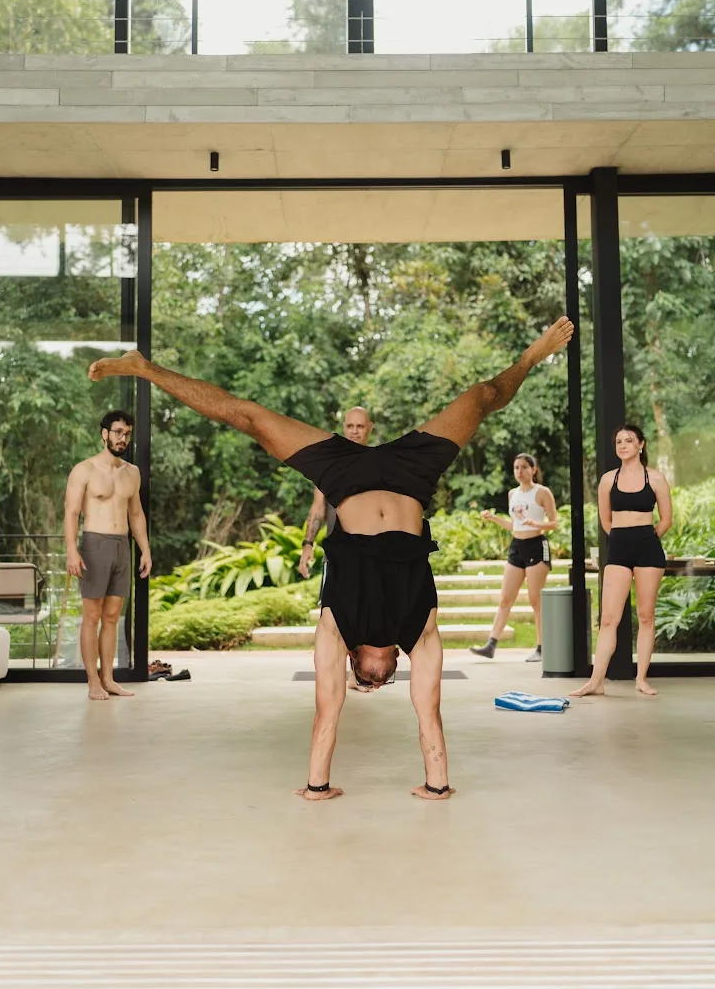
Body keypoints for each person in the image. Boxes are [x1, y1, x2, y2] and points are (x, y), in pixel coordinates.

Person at [88, 316, 574, 797]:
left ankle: (144, 367)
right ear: (357, 662)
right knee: (481, 398)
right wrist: (349, 787)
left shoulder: (368, 629)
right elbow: (378, 712)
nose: (372, 676)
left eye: (368, 679)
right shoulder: (393, 631)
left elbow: (355, 713)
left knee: (250, 417)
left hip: (353, 477)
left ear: (360, 662)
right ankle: (532, 354)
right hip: (409, 475)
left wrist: (360, 786)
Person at [571, 424, 672, 698]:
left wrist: (647, 538)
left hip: (648, 549)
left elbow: (666, 520)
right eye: (618, 442)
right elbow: (605, 520)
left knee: (646, 616)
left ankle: (641, 679)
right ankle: (596, 681)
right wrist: (621, 538)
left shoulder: (657, 478)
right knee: (608, 619)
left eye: (629, 440)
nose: (623, 445)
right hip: (618, 549)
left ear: (641, 444)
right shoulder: (607, 480)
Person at [64, 410, 152, 700]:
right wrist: (72, 551)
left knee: (113, 616)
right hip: (94, 544)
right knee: (92, 616)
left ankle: (108, 679)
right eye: (117, 432)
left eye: (126, 433)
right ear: (104, 433)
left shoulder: (132, 473)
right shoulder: (84, 470)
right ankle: (92, 683)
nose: (122, 438)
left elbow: (136, 513)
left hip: (121, 547)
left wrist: (145, 550)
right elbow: (72, 513)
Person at [298, 406, 375, 693]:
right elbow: (318, 509)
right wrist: (307, 545)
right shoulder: (329, 465)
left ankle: (358, 673)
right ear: (344, 427)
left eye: (360, 426)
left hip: (369, 554)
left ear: (370, 428)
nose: (355, 430)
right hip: (337, 554)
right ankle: (333, 676)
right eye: (350, 426)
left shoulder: (378, 464)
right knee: (330, 617)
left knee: (365, 615)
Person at [470, 453, 559, 663]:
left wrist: (538, 524)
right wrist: (493, 519)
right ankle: (491, 644)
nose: (520, 471)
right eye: (516, 467)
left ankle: (541, 647)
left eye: (524, 467)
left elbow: (554, 523)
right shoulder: (513, 494)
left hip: (536, 546)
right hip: (517, 546)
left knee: (535, 601)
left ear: (533, 470)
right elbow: (514, 525)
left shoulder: (542, 492)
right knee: (505, 599)